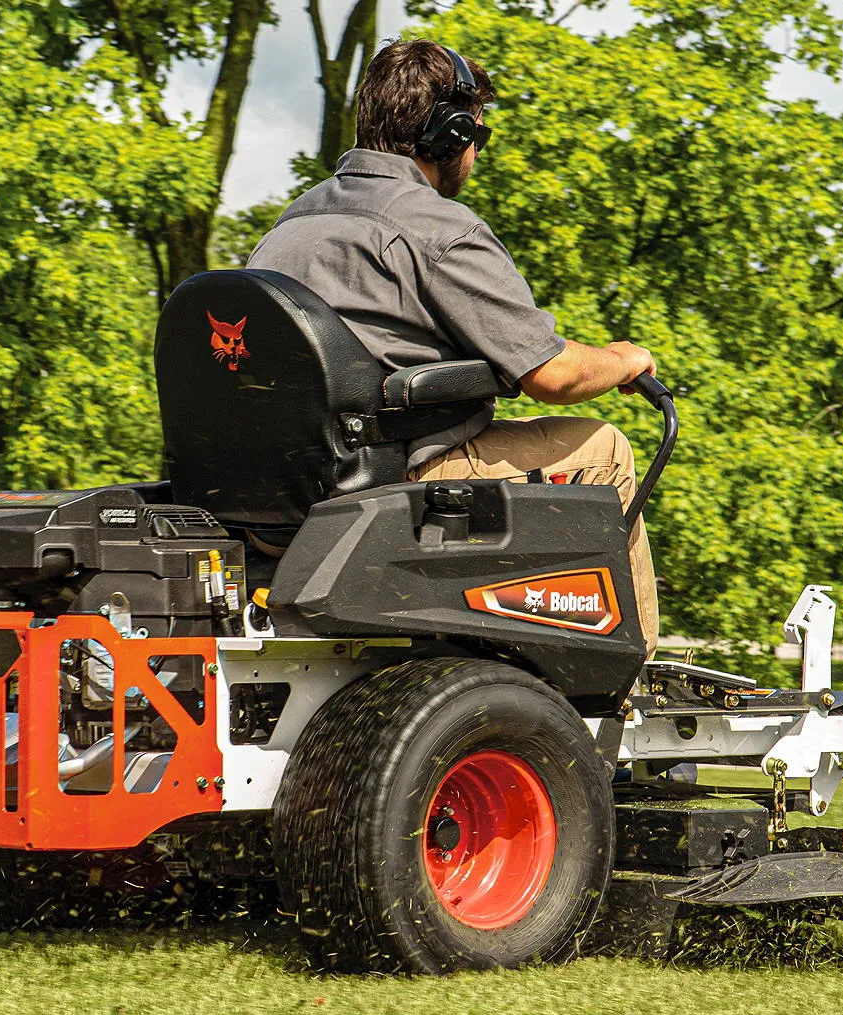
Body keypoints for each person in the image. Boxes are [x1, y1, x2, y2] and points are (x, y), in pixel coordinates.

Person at [247, 39, 661, 654]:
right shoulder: (434, 228)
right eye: (478, 136)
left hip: (280, 491)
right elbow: (553, 374)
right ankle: (626, 683)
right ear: (450, 133)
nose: (476, 153)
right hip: (389, 476)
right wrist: (625, 359)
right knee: (604, 449)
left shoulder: (291, 224)